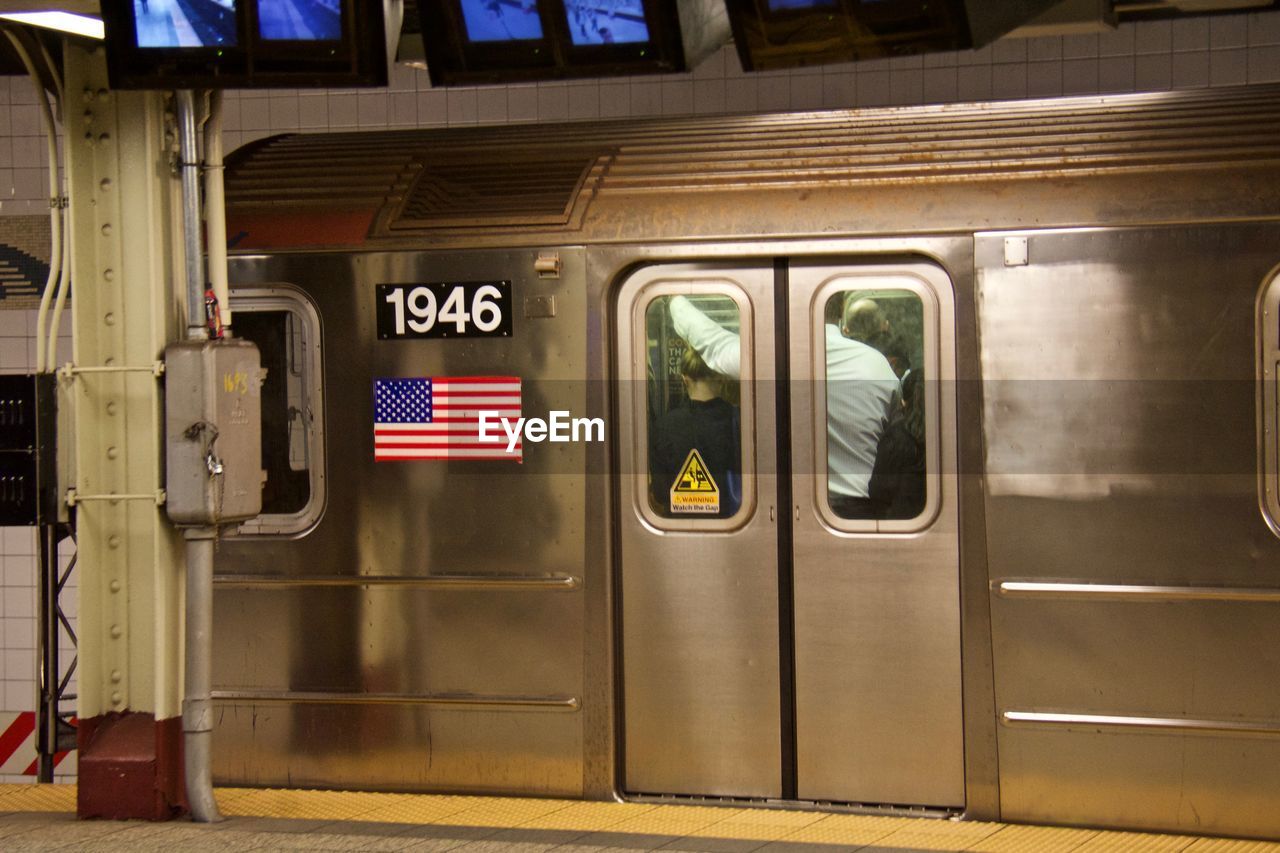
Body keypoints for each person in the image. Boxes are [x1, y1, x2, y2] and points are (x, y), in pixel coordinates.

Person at [670, 294, 897, 518]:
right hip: (860, 514)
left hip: (785, 508)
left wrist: (674, 298)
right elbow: (894, 439)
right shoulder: (876, 365)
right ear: (841, 310)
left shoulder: (765, 358)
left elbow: (712, 342)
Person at [650, 344, 741, 519]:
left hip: (677, 526)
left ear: (685, 379)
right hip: (730, 521)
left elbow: (660, 493)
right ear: (720, 376)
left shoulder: (664, 426)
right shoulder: (738, 421)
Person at [868, 368, 926, 519]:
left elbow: (878, 490)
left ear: (903, 401)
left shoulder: (898, 436)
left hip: (900, 521)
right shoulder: (948, 434)